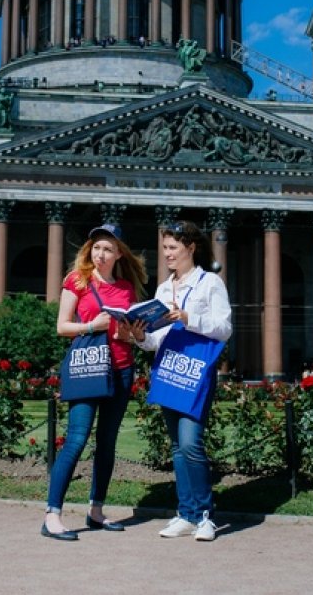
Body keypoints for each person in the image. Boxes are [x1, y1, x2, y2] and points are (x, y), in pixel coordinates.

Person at [42, 223, 148, 541]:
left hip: (121, 369)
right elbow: (62, 326)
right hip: (88, 367)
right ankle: (52, 516)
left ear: (118, 254)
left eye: (107, 248)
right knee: (75, 439)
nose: (100, 254)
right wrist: (91, 326)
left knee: (107, 444)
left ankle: (96, 511)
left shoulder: (127, 288)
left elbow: (124, 334)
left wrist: (137, 333)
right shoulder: (77, 281)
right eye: (96, 248)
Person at [129, 220, 232, 541]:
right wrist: (139, 335)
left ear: (191, 248)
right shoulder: (162, 289)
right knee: (176, 447)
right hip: (168, 369)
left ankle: (204, 516)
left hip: (196, 372)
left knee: (190, 442)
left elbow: (224, 328)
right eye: (165, 248)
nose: (167, 254)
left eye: (173, 248)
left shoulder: (210, 283)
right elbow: (156, 341)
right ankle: (185, 513)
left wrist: (189, 318)